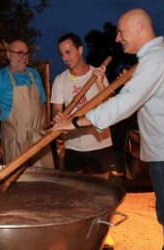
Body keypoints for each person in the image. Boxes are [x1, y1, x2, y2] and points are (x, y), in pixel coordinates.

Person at [52, 9, 164, 250]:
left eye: (121, 31)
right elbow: (146, 97)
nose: (117, 38)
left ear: (139, 27)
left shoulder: (155, 59)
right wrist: (133, 84)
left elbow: (124, 104)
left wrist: (76, 121)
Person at [51, 32, 114, 178]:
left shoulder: (98, 75)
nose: (64, 58)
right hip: (73, 145)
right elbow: (56, 108)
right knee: (73, 190)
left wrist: (101, 83)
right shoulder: (60, 80)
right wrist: (57, 116)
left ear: (80, 50)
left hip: (100, 142)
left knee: (102, 190)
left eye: (68, 52)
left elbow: (112, 105)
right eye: (61, 54)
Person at [0, 39, 54, 168]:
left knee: (44, 180)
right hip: (14, 138)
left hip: (38, 137)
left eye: (26, 53)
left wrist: (46, 130)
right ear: (8, 55)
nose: (23, 57)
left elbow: (42, 103)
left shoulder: (34, 74)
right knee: (18, 181)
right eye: (19, 53)